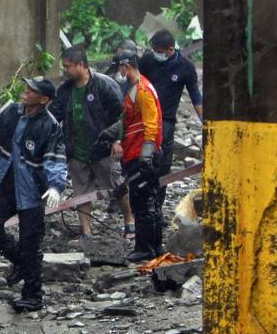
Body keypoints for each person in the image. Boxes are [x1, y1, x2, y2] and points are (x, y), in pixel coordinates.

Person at [0, 77, 68, 312]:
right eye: (27, 88)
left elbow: (56, 160)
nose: (26, 92)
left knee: (31, 242)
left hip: (31, 192)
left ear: (44, 99)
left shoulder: (49, 126)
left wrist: (55, 186)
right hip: (6, 183)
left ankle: (32, 295)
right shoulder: (10, 112)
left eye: (32, 90)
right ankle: (19, 261)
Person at [50, 47, 134, 238]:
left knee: (117, 186)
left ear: (81, 65)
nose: (65, 70)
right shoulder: (65, 91)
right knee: (82, 192)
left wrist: (117, 140)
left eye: (68, 66)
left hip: (103, 148)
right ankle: (86, 232)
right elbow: (54, 118)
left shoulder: (104, 85)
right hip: (76, 150)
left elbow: (122, 116)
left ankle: (129, 220)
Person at [107, 50, 163, 263]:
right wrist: (111, 133)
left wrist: (146, 156)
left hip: (142, 155)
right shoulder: (135, 89)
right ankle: (154, 246)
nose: (118, 73)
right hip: (136, 153)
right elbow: (128, 120)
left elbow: (151, 124)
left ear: (126, 66)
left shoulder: (142, 91)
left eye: (119, 69)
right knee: (147, 201)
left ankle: (146, 248)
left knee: (143, 203)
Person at [138, 30, 203, 212]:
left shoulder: (186, 68)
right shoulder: (147, 61)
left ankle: (157, 207)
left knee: (162, 165)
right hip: (143, 118)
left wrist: (204, 122)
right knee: (140, 162)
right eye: (154, 50)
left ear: (170, 49)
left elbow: (195, 97)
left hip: (165, 121)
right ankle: (140, 206)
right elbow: (136, 84)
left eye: (159, 51)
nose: (155, 54)